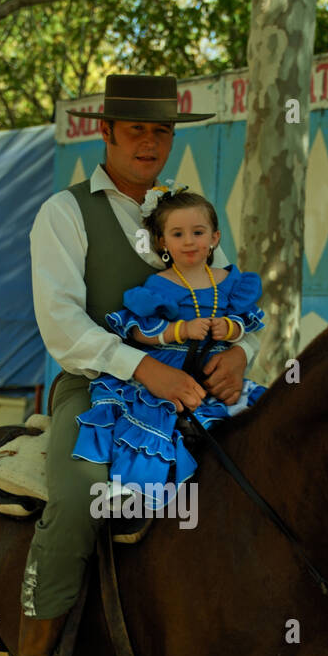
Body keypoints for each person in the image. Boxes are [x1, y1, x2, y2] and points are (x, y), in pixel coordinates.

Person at [11, 75, 261, 656]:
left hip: (195, 388)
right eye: (136, 130)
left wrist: (243, 353)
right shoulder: (64, 214)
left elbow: (229, 302)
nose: (150, 142)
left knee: (272, 470)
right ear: (107, 135)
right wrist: (142, 366)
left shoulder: (191, 215)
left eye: (162, 130)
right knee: (79, 495)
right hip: (100, 392)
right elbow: (61, 325)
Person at [71, 186, 266, 506]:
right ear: (163, 242)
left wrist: (228, 328)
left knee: (253, 413)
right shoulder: (160, 285)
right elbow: (140, 332)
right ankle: (134, 487)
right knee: (153, 414)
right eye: (178, 234)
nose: (189, 241)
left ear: (214, 238)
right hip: (168, 364)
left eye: (198, 232)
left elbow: (247, 321)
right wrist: (181, 329)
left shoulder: (232, 281)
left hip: (214, 366)